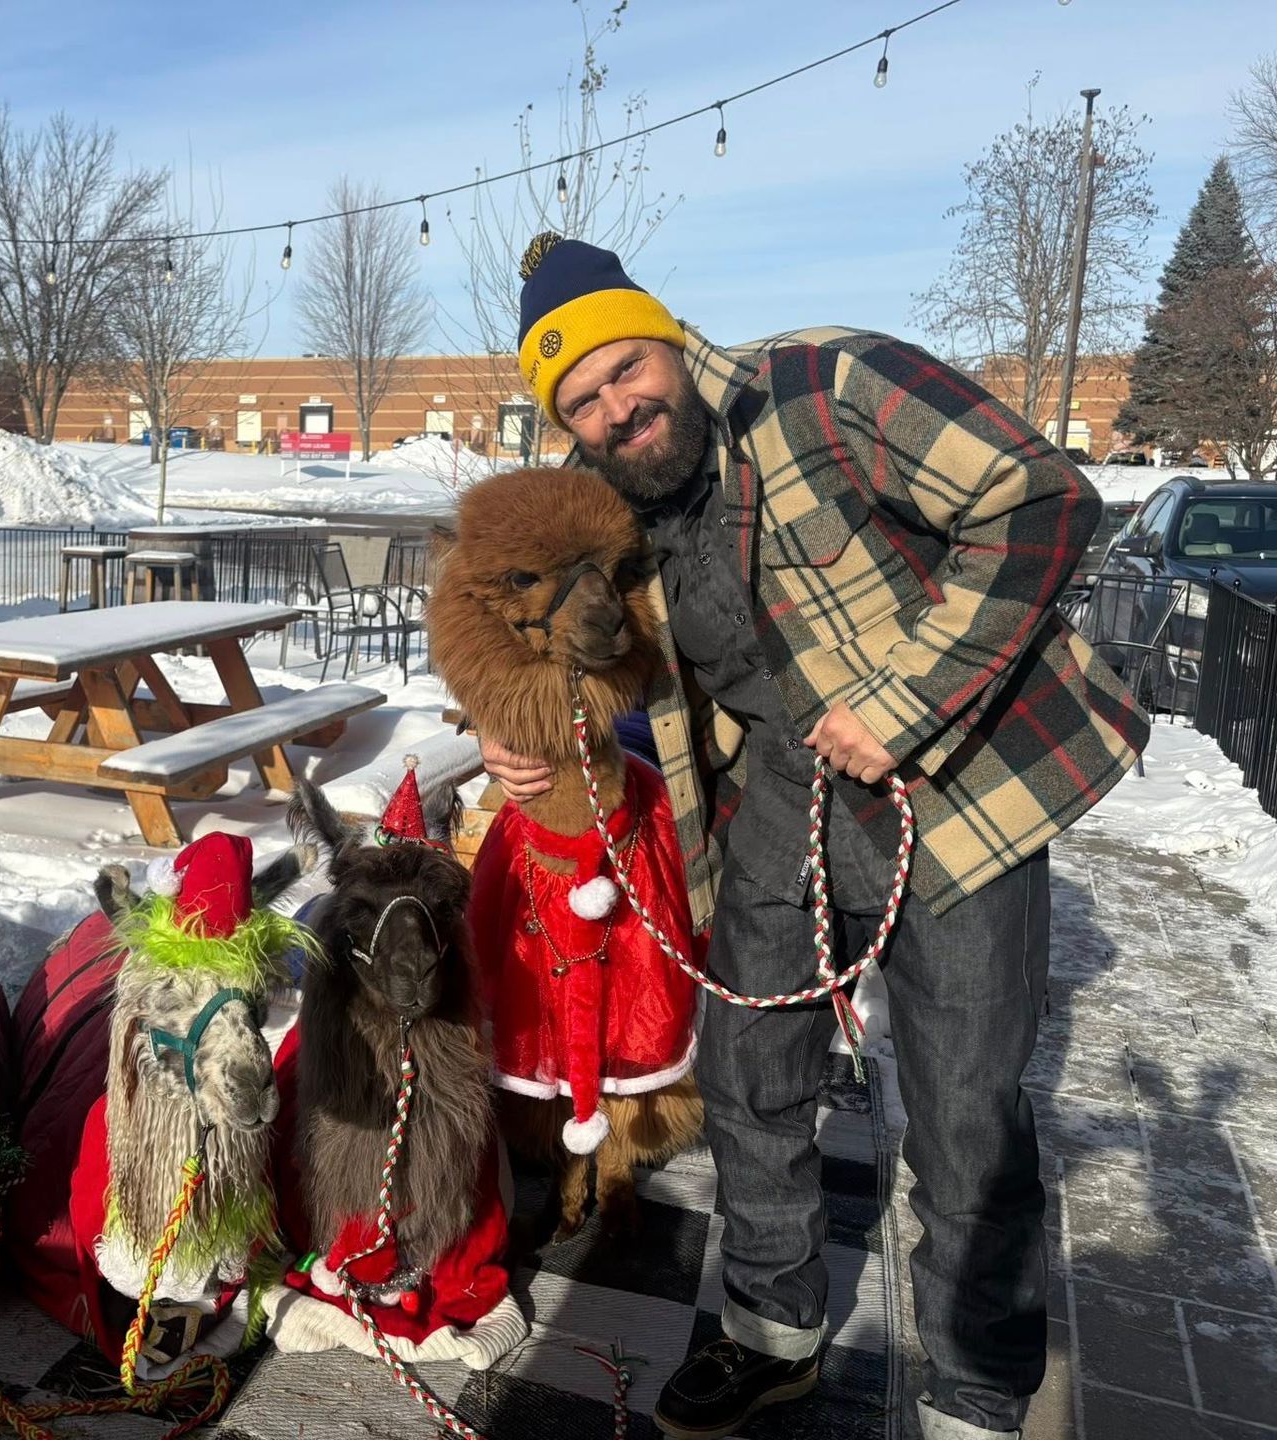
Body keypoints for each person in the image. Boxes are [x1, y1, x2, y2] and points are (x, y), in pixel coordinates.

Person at [485, 233, 1148, 1440]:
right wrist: (525, 735)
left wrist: (900, 703)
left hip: (954, 801)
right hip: (771, 809)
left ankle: (977, 1390)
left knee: (961, 1114)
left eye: (624, 368)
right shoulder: (618, 512)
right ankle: (772, 1330)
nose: (617, 408)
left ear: (667, 336)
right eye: (581, 401)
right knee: (749, 1082)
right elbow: (599, 664)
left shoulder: (829, 386)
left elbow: (1043, 499)